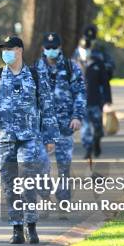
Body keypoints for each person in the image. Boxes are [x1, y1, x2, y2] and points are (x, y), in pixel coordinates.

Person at [0, 36, 59, 244]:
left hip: (29, 139)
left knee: (27, 183)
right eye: (3, 49)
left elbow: (47, 107)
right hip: (5, 140)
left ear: (20, 51)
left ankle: (30, 225)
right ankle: (16, 227)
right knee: (9, 185)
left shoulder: (35, 76)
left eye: (10, 48)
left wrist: (50, 136)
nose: (6, 52)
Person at [35, 33, 86, 202]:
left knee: (64, 165)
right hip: (42, 127)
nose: (51, 50)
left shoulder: (71, 67)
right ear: (43, 48)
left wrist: (77, 116)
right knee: (41, 164)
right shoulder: (35, 69)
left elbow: (80, 93)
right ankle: (44, 192)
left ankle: (64, 199)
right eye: (48, 48)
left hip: (65, 125)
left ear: (60, 48)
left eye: (54, 47)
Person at [77, 37, 112, 159]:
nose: (85, 51)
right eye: (83, 49)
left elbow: (105, 83)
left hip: (96, 101)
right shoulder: (74, 64)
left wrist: (107, 101)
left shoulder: (98, 63)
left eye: (87, 49)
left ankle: (96, 143)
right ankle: (88, 149)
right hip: (81, 103)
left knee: (98, 128)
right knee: (85, 129)